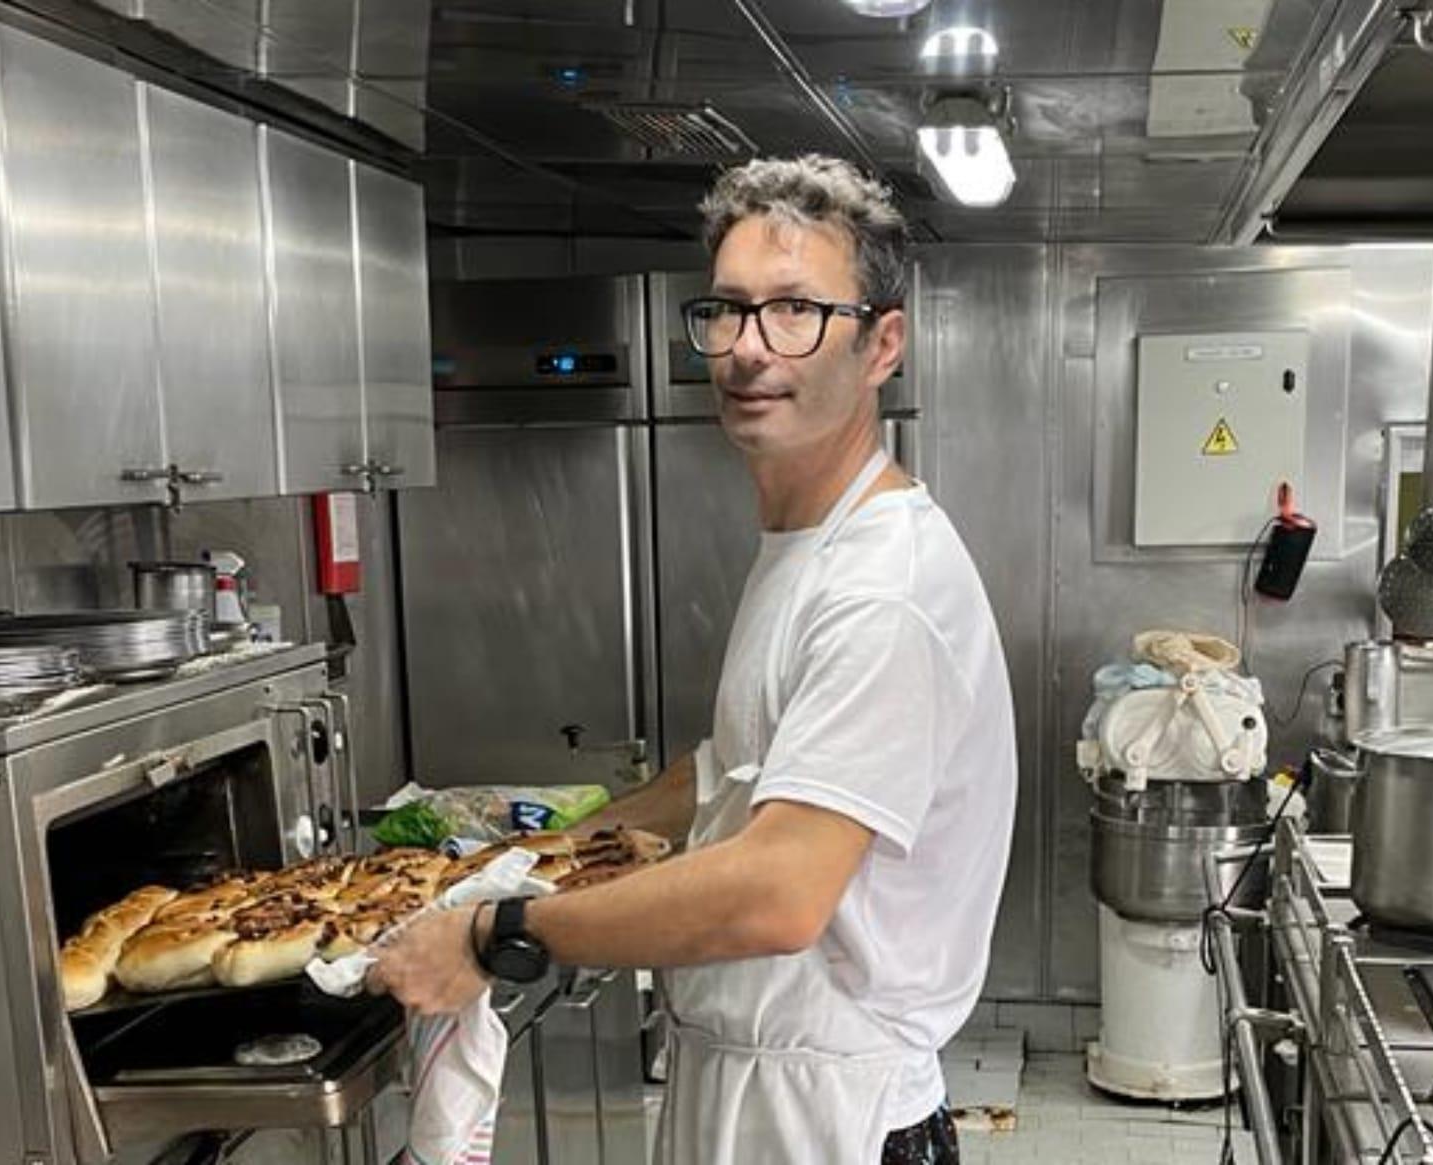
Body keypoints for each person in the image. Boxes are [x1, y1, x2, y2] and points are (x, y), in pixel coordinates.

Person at [370, 154, 1017, 1163]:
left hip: (835, 1121)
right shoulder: (809, 547)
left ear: (882, 344)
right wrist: (530, 862)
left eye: (796, 311)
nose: (749, 348)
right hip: (754, 1090)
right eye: (728, 310)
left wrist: (500, 932)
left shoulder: (882, 587)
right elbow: (726, 774)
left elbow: (780, 889)